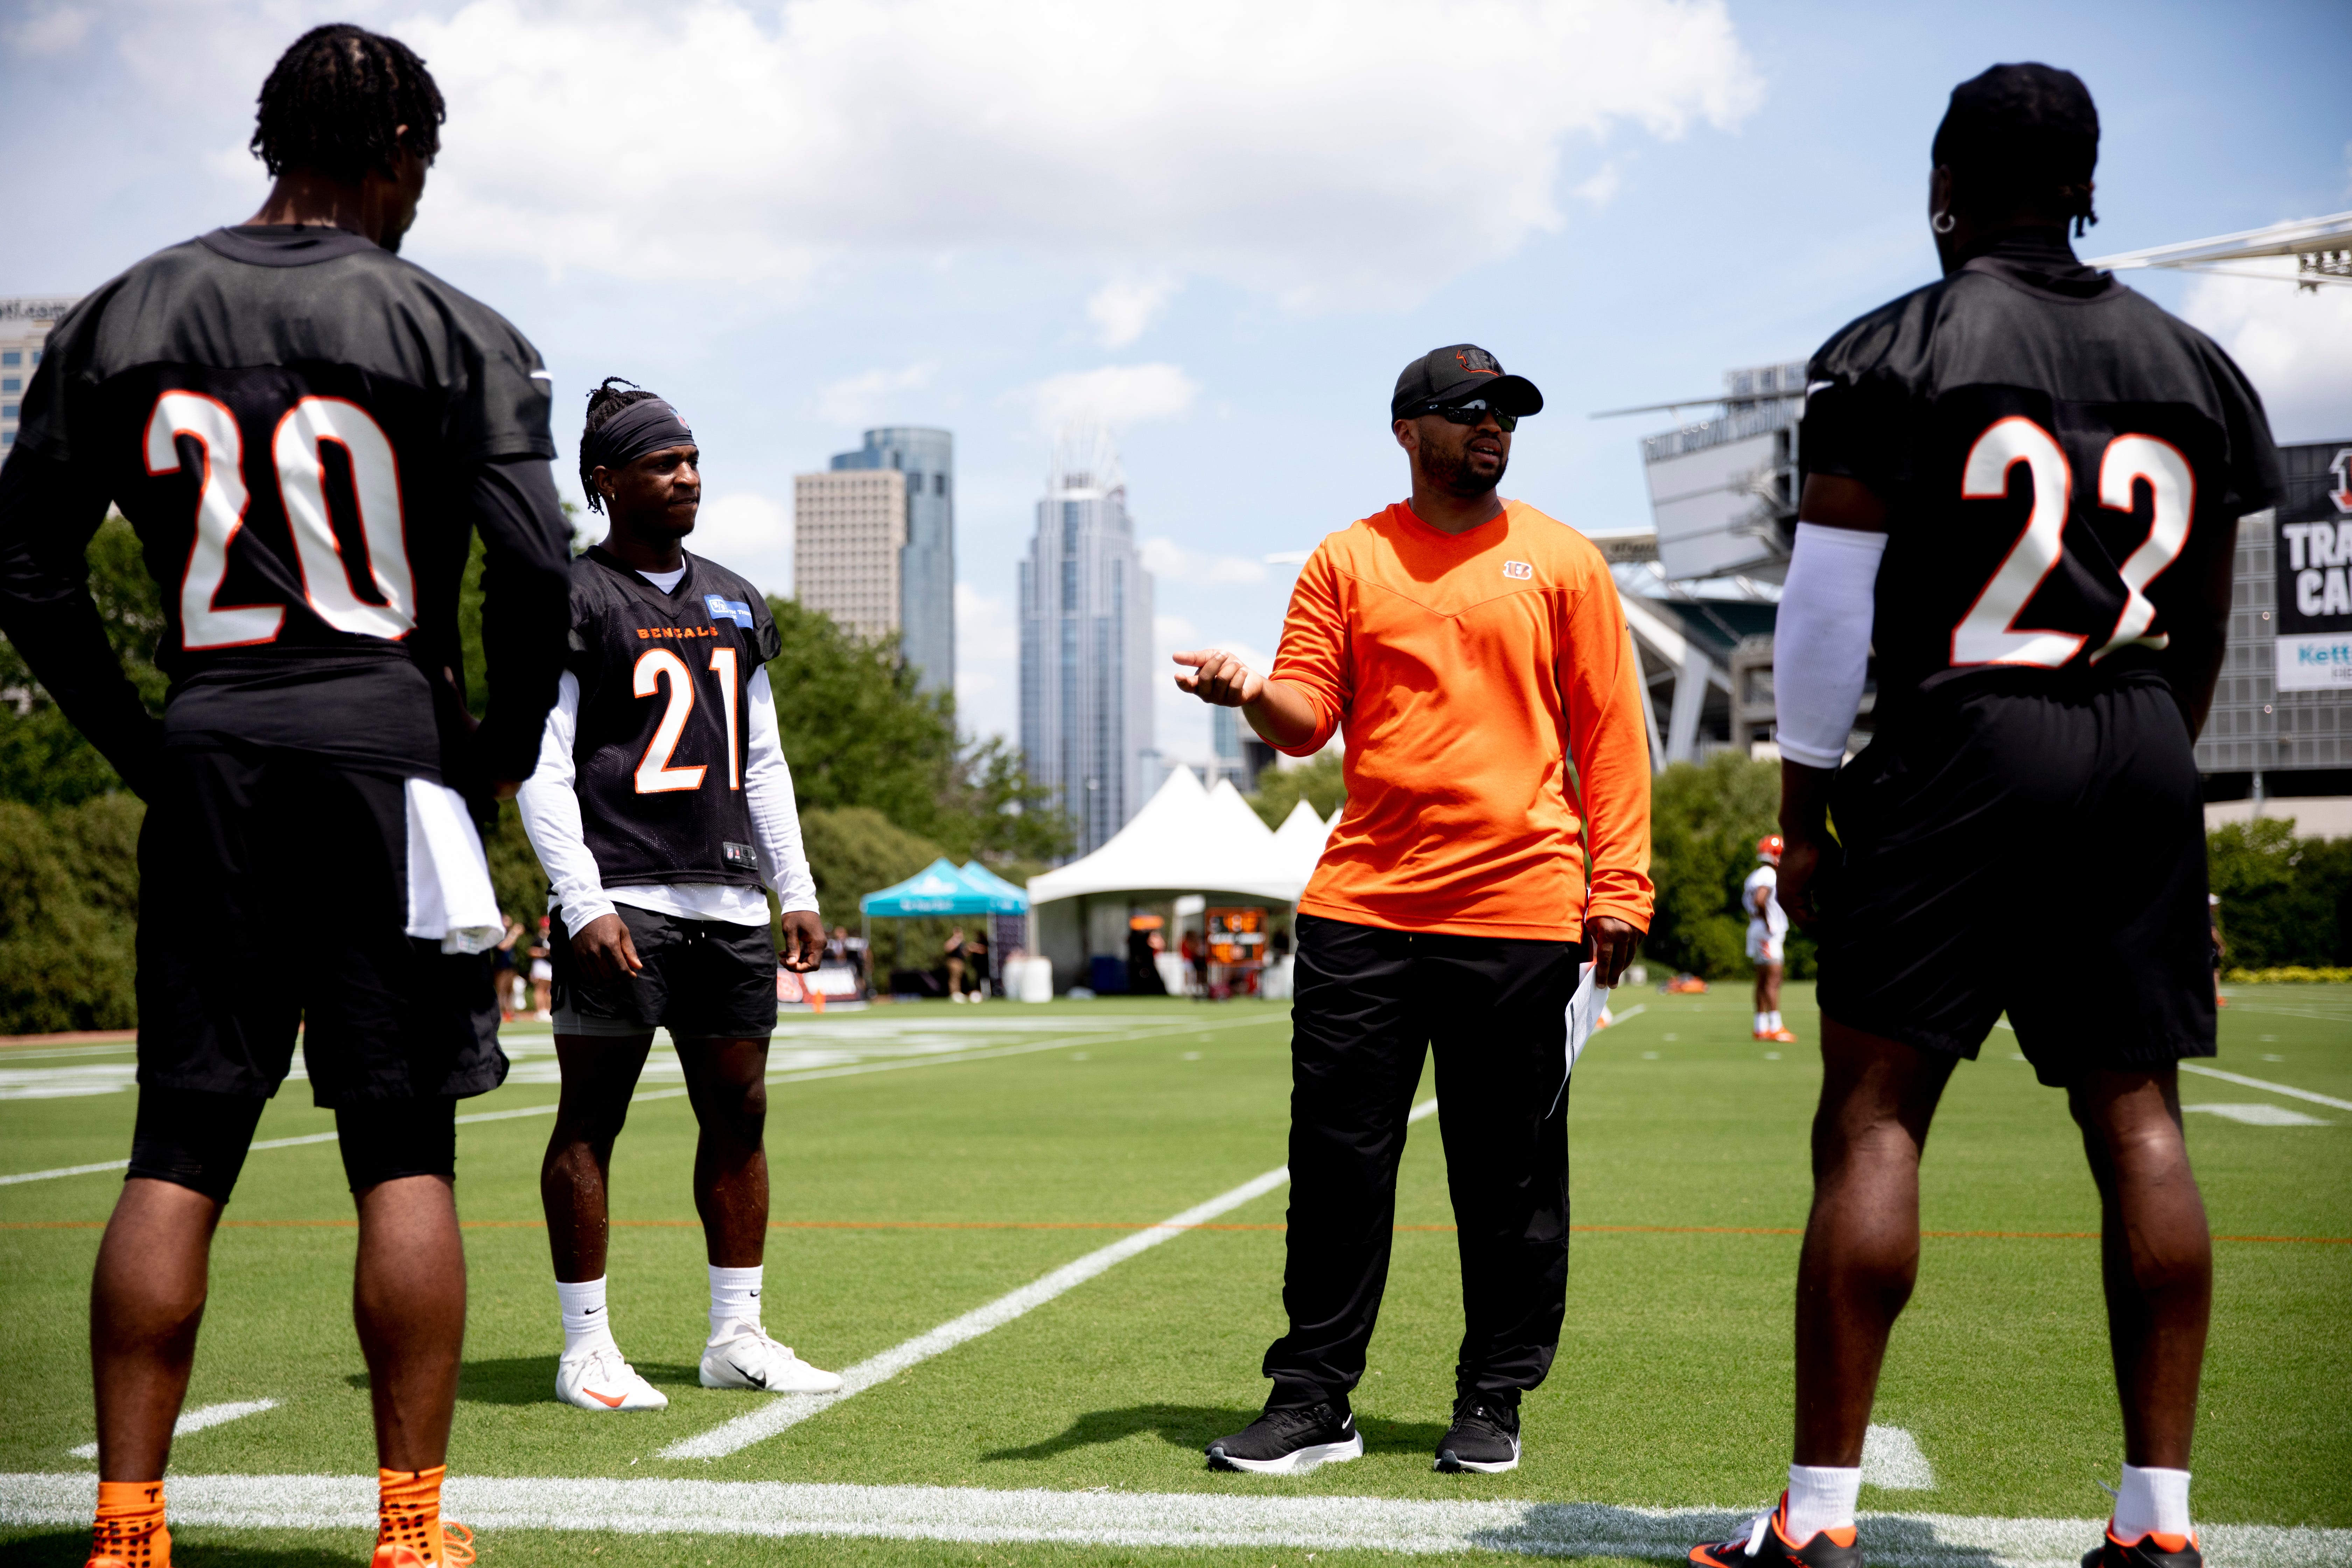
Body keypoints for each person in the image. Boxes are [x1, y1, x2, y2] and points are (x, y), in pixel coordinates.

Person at [1689, 65, 2281, 1568]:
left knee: (1874, 1114)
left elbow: (1821, 614)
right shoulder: (2196, 365)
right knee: (2134, 1113)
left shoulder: (1894, 347)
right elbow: (2206, 617)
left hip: (1959, 734)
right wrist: (2147, 762)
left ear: (1940, 183)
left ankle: (1814, 1516)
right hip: (2138, 734)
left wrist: (1803, 812)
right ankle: (2156, 1523)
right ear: (2085, 185)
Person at [0, 24, 574, 1568]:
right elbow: (534, 569)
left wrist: (145, 738)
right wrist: (499, 750)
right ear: (397, 151)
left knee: (178, 1139)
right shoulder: (455, 325)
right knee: (403, 1146)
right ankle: (407, 1525)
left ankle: (127, 1522)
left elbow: (27, 567)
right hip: (387, 755)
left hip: (215, 747)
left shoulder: (120, 313)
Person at [1176, 343, 1650, 1477]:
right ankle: (1313, 1399)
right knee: (1338, 1165)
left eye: (1507, 414)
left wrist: (1620, 881)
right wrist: (1247, 689)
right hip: (1364, 909)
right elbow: (1304, 719)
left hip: (1522, 910)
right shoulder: (1348, 559)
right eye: (1470, 411)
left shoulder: (1564, 561)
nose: (1494, 428)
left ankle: (1493, 1397)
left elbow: (1611, 731)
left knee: (1511, 1183)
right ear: (1409, 430)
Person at [517, 379, 840, 1413]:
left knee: (739, 1114)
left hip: (728, 898)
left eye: (694, 458)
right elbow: (541, 762)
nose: (687, 476)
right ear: (606, 481)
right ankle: (585, 1346)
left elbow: (765, 759)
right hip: (624, 894)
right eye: (663, 462)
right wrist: (582, 900)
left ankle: (733, 1334)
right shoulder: (574, 596)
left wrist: (793, 880)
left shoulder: (736, 598)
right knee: (591, 1118)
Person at [1745, 836, 1795, 1043]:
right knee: (1773, 981)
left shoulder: (1755, 875)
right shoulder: (1768, 875)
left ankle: (1761, 1027)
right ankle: (1775, 1027)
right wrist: (1768, 923)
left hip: (1757, 930)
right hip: (1767, 933)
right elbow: (1759, 899)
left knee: (1762, 981)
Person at [943, 927, 968, 1002]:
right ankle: (954, 994)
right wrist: (956, 941)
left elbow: (965, 953)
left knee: (958, 978)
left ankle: (958, 993)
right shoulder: (954, 941)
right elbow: (947, 948)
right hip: (954, 962)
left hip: (960, 962)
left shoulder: (962, 942)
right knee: (954, 979)